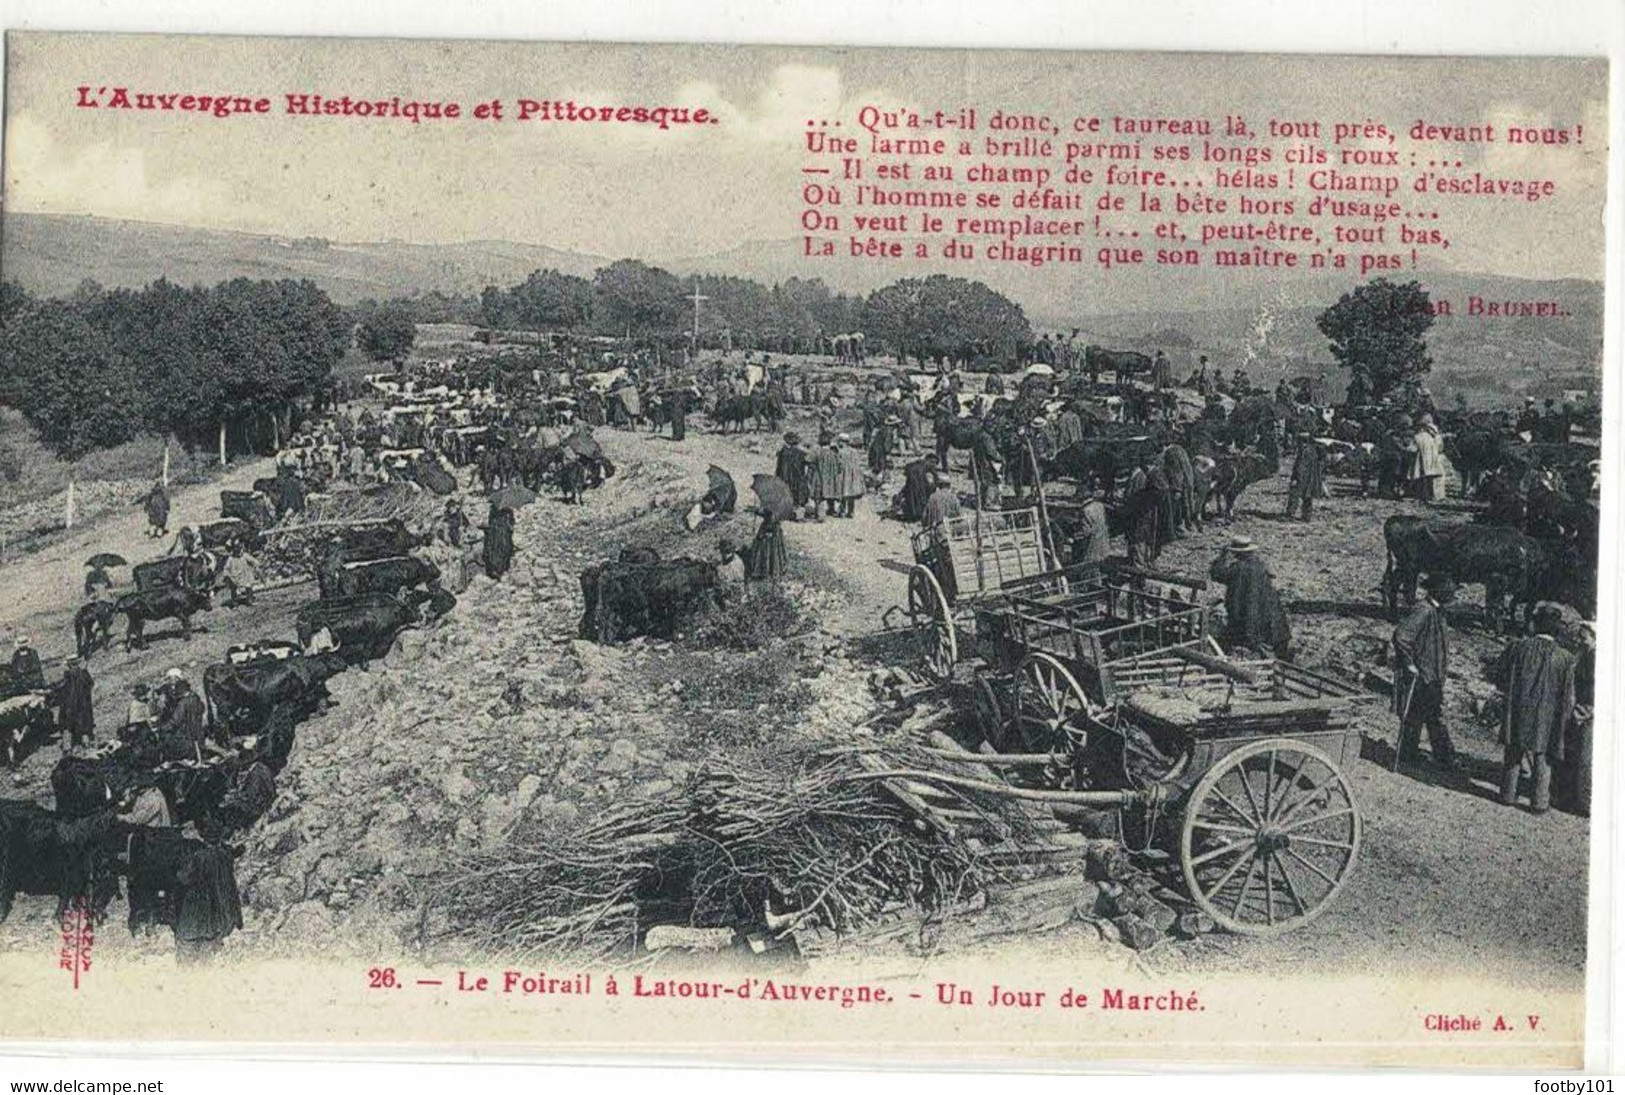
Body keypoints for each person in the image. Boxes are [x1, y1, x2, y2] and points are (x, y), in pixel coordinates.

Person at [1495, 605, 1578, 813]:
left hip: (1518, 707)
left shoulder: (1517, 647)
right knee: (1544, 756)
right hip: (1547, 714)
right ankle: (1539, 802)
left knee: (1514, 750)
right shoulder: (1565, 658)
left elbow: (1500, 676)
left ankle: (1507, 794)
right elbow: (1567, 694)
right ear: (1557, 629)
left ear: (1535, 623)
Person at [1393, 573, 1458, 770]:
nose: (1452, 595)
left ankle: (1410, 754)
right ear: (1438, 591)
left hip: (1432, 675)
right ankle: (1443, 758)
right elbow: (1401, 637)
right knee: (1427, 716)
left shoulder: (1437, 611)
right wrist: (1409, 664)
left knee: (1423, 715)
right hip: (1422, 675)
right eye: (1449, 591)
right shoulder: (1423, 610)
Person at [1208, 537, 1292, 657]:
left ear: (1235, 553)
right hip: (1267, 613)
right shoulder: (1260, 565)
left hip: (1246, 616)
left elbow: (1216, 574)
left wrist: (1222, 556)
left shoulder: (1236, 569)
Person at [157, 670, 209, 762]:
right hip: (198, 735)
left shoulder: (182, 703)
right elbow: (202, 708)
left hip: (186, 737)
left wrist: (161, 729)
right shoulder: (195, 697)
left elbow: (175, 721)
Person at [57, 657, 95, 750]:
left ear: (69, 665)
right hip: (83, 705)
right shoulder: (83, 674)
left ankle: (67, 745)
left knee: (67, 725)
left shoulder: (67, 676)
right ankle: (85, 741)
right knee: (84, 723)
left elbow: (63, 692)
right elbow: (90, 685)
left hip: (70, 706)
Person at [1068, 489, 1111, 566]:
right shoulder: (1100, 505)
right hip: (1103, 544)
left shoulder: (1086, 510)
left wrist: (1074, 537)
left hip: (1092, 547)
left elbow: (1086, 532)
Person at [1410, 413, 1447, 501]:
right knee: (1433, 477)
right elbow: (1440, 447)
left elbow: (1413, 449)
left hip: (1421, 458)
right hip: (1434, 458)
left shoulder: (1417, 437)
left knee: (1422, 477)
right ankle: (1435, 495)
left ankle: (1422, 495)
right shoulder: (1436, 437)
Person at [1286, 432, 1324, 521]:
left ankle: (1290, 513)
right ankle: (1307, 515)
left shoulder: (1304, 451)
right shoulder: (1314, 450)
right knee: (1308, 496)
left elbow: (1300, 465)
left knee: (1295, 494)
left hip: (1303, 477)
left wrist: (1295, 477)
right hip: (1311, 477)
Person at [746, 508, 788, 581]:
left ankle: (771, 571)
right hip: (766, 537)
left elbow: (776, 536)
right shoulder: (766, 523)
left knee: (772, 554)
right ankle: (763, 571)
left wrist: (767, 534)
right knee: (764, 553)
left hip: (771, 541)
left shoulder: (776, 525)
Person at [774, 433, 809, 517]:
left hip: (785, 476)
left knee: (786, 494)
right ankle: (798, 514)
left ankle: (786, 512)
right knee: (798, 494)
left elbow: (779, 466)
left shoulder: (782, 452)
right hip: (797, 477)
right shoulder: (800, 453)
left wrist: (777, 476)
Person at [835, 435, 867, 519]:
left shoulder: (841, 452)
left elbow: (839, 464)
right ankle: (851, 511)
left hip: (844, 474)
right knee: (851, 494)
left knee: (843, 492)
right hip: (854, 474)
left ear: (842, 442)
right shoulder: (854, 451)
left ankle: (842, 511)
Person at [810, 434, 841, 521]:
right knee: (831, 492)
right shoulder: (834, 453)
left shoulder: (818, 453)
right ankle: (831, 510)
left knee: (819, 496)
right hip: (831, 477)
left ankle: (820, 514)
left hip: (819, 476)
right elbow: (839, 465)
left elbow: (811, 463)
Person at [483, 502, 515, 580]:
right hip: (498, 534)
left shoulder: (507, 511)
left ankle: (500, 569)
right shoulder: (497, 510)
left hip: (501, 533)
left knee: (502, 550)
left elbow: (512, 522)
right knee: (498, 551)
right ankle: (498, 569)